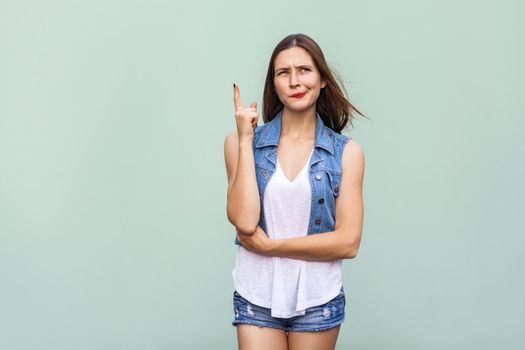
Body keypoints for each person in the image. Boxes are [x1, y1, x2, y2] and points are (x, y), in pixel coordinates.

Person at [224, 33, 365, 350]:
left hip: (317, 298)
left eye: (304, 70)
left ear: (322, 80)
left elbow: (348, 242)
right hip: (256, 295)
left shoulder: (346, 153)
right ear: (274, 83)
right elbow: (245, 223)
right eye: (283, 73)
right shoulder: (240, 144)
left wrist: (272, 247)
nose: (294, 81)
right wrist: (246, 141)